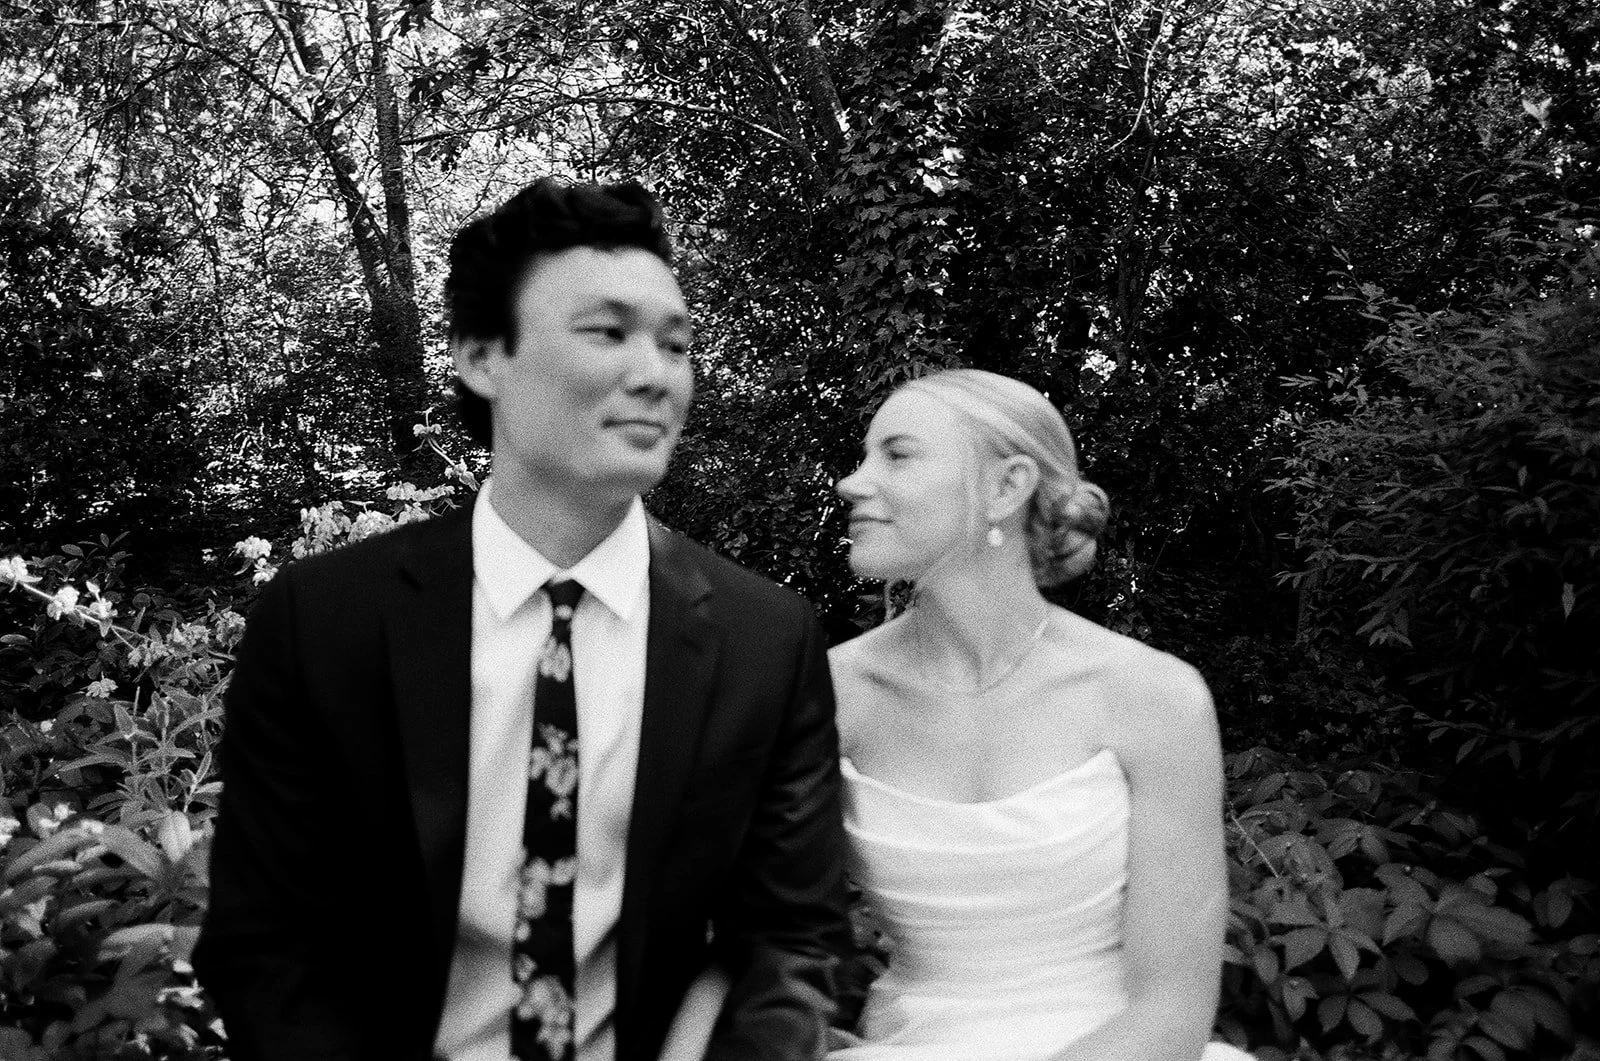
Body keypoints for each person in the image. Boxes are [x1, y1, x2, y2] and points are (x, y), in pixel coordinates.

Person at [194, 178, 851, 1061]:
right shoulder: (325, 619)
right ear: (480, 356)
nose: (654, 374)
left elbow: (793, 940)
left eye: (676, 344)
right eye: (607, 332)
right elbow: (267, 943)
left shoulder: (764, 639)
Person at [824, 368, 1247, 1061]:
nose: (852, 482)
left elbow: (1172, 1010)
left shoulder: (1155, 697)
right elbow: (748, 929)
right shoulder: (831, 693)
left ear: (1006, 487)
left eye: (896, 455)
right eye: (865, 456)